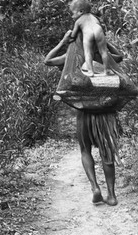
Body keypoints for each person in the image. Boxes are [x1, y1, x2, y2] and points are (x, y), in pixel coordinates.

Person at [44, 30, 123, 206]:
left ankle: (95, 187)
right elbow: (120, 56)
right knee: (106, 152)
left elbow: (48, 60)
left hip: (84, 112)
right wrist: (105, 42)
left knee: (85, 150)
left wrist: (63, 41)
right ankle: (111, 195)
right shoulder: (102, 56)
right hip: (105, 112)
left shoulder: (72, 58)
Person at [69, 0, 114, 77]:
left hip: (88, 32)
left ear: (81, 12)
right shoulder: (94, 17)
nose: (72, 16)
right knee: (103, 51)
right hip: (98, 30)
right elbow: (98, 24)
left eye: (73, 13)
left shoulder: (79, 21)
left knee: (88, 52)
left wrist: (70, 36)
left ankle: (90, 71)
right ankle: (107, 70)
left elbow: (73, 35)